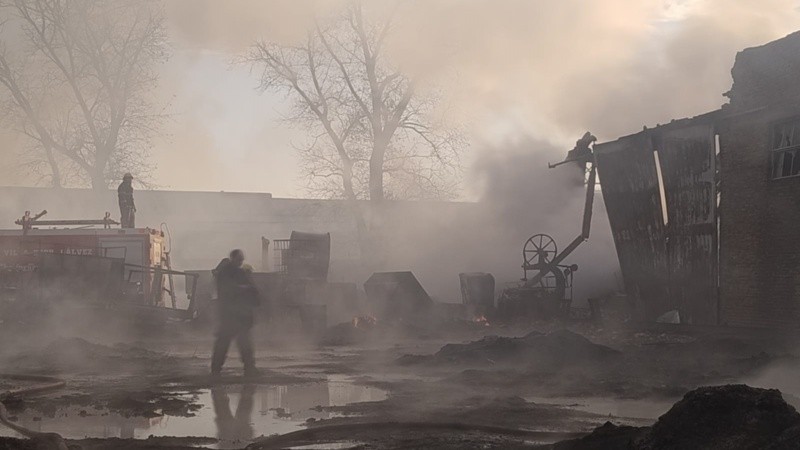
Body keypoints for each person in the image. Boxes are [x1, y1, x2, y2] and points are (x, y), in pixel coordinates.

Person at [211, 249, 261, 378]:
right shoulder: (226, 273)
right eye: (239, 259)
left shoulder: (236, 272)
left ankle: (249, 368)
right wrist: (244, 289)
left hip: (238, 315)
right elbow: (228, 290)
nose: (241, 262)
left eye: (242, 260)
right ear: (233, 258)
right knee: (225, 343)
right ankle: (216, 370)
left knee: (242, 343)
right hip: (231, 315)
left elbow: (253, 291)